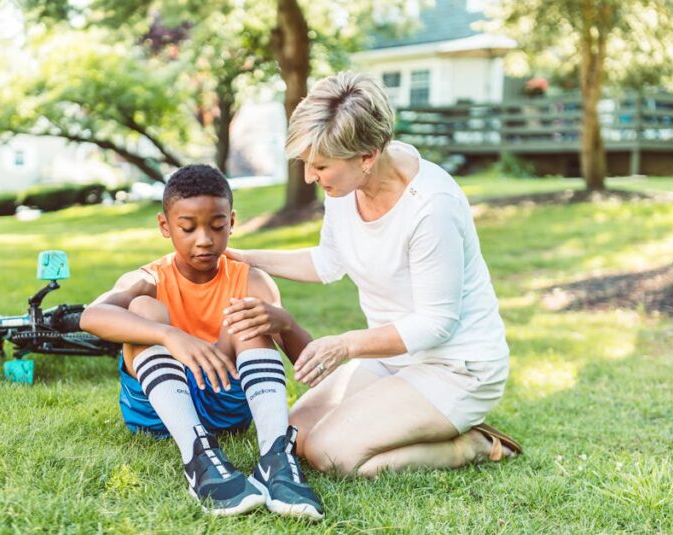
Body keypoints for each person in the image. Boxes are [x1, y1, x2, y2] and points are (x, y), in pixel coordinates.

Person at [223, 72, 523, 478]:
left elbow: (437, 323)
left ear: (367, 156)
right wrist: (243, 257)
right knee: (292, 436)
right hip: (393, 360)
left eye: (321, 166)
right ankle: (404, 419)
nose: (311, 177)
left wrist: (346, 345)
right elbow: (329, 261)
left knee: (332, 454)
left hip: (456, 368)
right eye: (307, 163)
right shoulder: (346, 189)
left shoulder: (431, 207)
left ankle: (469, 445)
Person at [79, 164, 324, 519]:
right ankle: (198, 459)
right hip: (157, 414)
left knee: (248, 313)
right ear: (165, 226)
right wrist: (169, 334)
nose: (205, 239)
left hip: (226, 404)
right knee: (144, 310)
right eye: (188, 228)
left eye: (217, 225)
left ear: (232, 221)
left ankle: (275, 459)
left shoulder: (250, 279)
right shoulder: (149, 278)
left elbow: (310, 366)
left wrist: (284, 322)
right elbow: (91, 316)